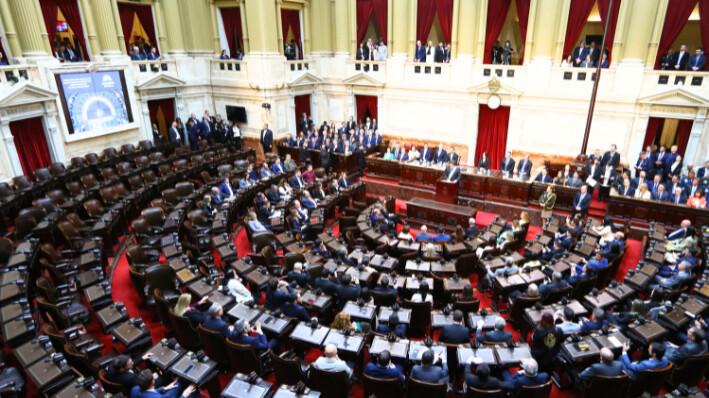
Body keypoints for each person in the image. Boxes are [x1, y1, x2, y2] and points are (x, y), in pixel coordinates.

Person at [130, 369, 197, 398]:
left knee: (177, 384)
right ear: (153, 381)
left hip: (159, 394)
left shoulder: (134, 389)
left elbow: (148, 391)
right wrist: (184, 395)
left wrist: (165, 388)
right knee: (193, 391)